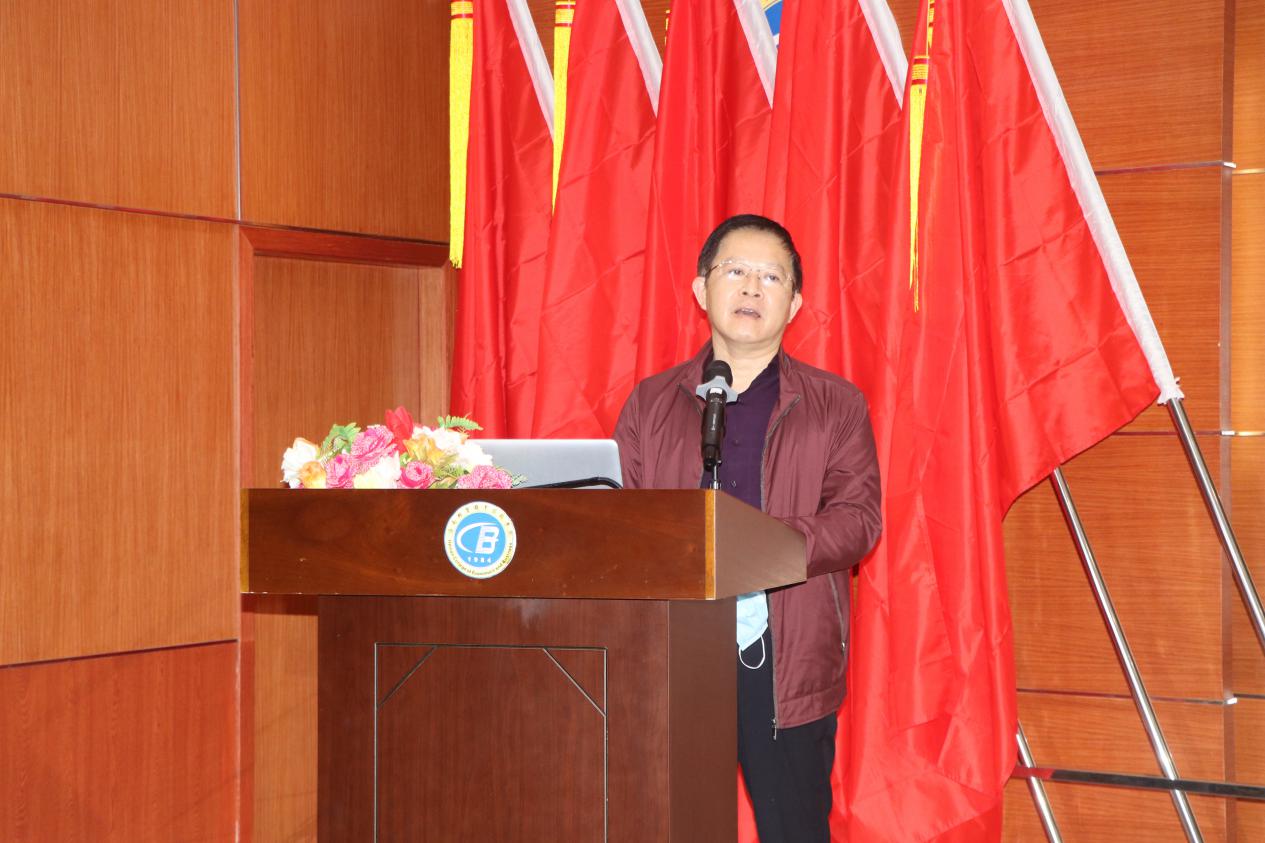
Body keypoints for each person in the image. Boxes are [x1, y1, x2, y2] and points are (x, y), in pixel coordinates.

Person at [613, 214, 881, 841]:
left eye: (771, 277)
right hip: (671, 652)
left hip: (783, 656)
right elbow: (619, 518)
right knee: (668, 826)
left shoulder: (835, 404)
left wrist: (757, 547)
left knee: (794, 829)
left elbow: (858, 521)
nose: (752, 288)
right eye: (735, 271)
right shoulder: (651, 402)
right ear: (701, 290)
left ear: (795, 304)